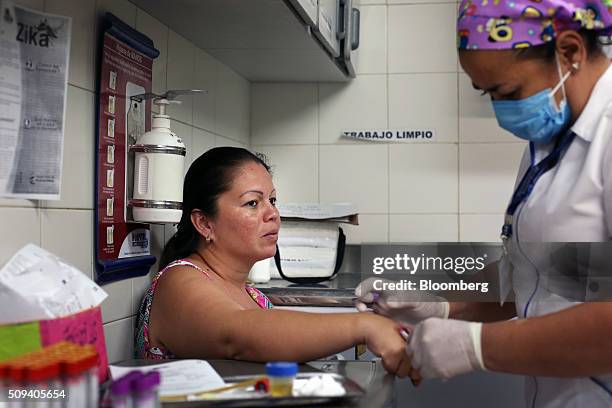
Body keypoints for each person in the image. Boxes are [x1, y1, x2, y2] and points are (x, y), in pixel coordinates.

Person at [356, 1, 612, 406]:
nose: (501, 112)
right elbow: (541, 276)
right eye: (489, 94)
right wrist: (441, 306)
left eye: (508, 92)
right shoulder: (546, 148)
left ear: (570, 51)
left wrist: (478, 345)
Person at [135, 147, 416, 379]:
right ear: (204, 223)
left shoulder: (252, 295)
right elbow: (237, 336)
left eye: (272, 200)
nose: (273, 213)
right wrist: (363, 326)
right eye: (252, 203)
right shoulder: (179, 281)